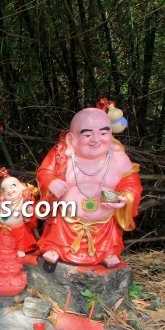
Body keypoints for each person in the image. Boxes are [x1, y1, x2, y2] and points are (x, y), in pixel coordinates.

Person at [36, 101, 142, 267]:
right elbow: (44, 172)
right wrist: (51, 182)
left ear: (111, 135)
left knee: (109, 232)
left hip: (104, 223)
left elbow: (131, 184)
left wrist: (125, 197)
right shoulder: (61, 156)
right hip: (65, 223)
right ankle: (55, 246)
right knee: (58, 223)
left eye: (103, 133)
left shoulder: (119, 159)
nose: (96, 140)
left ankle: (108, 251)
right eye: (87, 135)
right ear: (72, 138)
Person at [0, 168, 38, 258]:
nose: (9, 191)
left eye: (12, 187)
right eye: (5, 190)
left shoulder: (25, 201)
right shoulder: (2, 201)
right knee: (2, 234)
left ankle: (20, 248)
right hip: (3, 230)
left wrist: (27, 215)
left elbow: (32, 216)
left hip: (20, 232)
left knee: (20, 237)